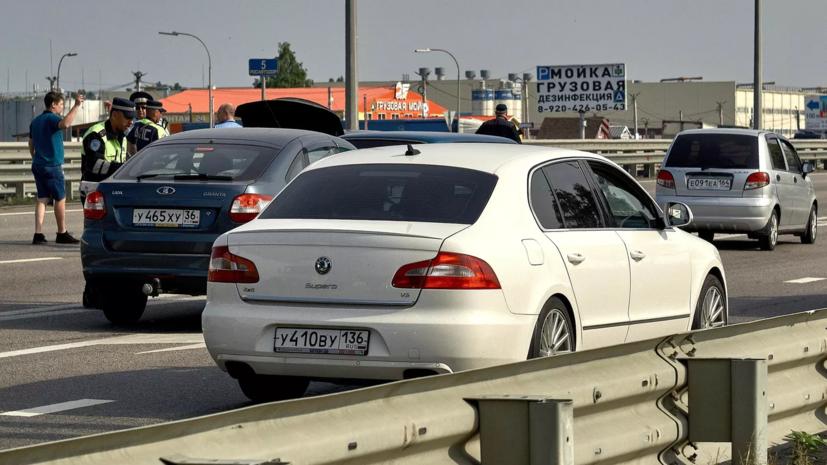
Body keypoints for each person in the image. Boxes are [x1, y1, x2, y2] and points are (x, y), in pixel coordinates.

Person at [28, 91, 84, 245]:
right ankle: (62, 233)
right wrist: (76, 105)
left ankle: (38, 233)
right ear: (53, 104)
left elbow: (31, 143)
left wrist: (35, 157)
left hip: (38, 164)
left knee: (43, 198)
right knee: (60, 198)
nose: (61, 108)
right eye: (60, 105)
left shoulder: (35, 121)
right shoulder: (52, 118)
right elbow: (65, 124)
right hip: (52, 165)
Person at [80, 98, 135, 189]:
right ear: (114, 115)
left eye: (132, 118)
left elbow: (123, 160)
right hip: (95, 189)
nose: (131, 122)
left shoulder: (122, 136)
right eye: (128, 117)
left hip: (113, 188)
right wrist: (122, 168)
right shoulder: (96, 134)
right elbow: (94, 165)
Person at [126, 91, 152, 156]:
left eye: (143, 107)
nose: (140, 110)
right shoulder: (127, 125)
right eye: (137, 107)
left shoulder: (157, 123)